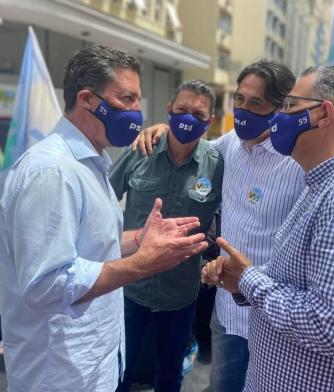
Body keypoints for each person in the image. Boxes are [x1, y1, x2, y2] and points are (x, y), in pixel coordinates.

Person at [0, 45, 208, 392]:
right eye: (127, 98)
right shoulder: (52, 171)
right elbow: (46, 283)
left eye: (138, 100)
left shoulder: (92, 163)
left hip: (92, 363)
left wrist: (140, 239)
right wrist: (143, 264)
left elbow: (91, 244)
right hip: (59, 374)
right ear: (86, 99)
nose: (138, 112)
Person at [202, 65, 334, 391]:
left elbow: (329, 327)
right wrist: (241, 278)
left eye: (290, 106)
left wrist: (248, 279)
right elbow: (298, 279)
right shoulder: (322, 184)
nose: (279, 118)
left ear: (324, 114)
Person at [132, 61, 306, 391]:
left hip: (272, 317)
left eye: (255, 104)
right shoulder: (230, 145)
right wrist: (161, 130)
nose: (242, 111)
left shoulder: (297, 161)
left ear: (279, 108)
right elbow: (191, 148)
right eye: (239, 100)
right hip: (226, 313)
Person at [109, 80, 223, 392]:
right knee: (120, 370)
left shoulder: (217, 165)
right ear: (168, 111)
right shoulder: (139, 150)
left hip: (180, 294)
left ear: (210, 121)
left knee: (170, 375)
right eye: (181, 110)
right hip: (130, 286)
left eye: (197, 114)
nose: (188, 119)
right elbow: (102, 200)